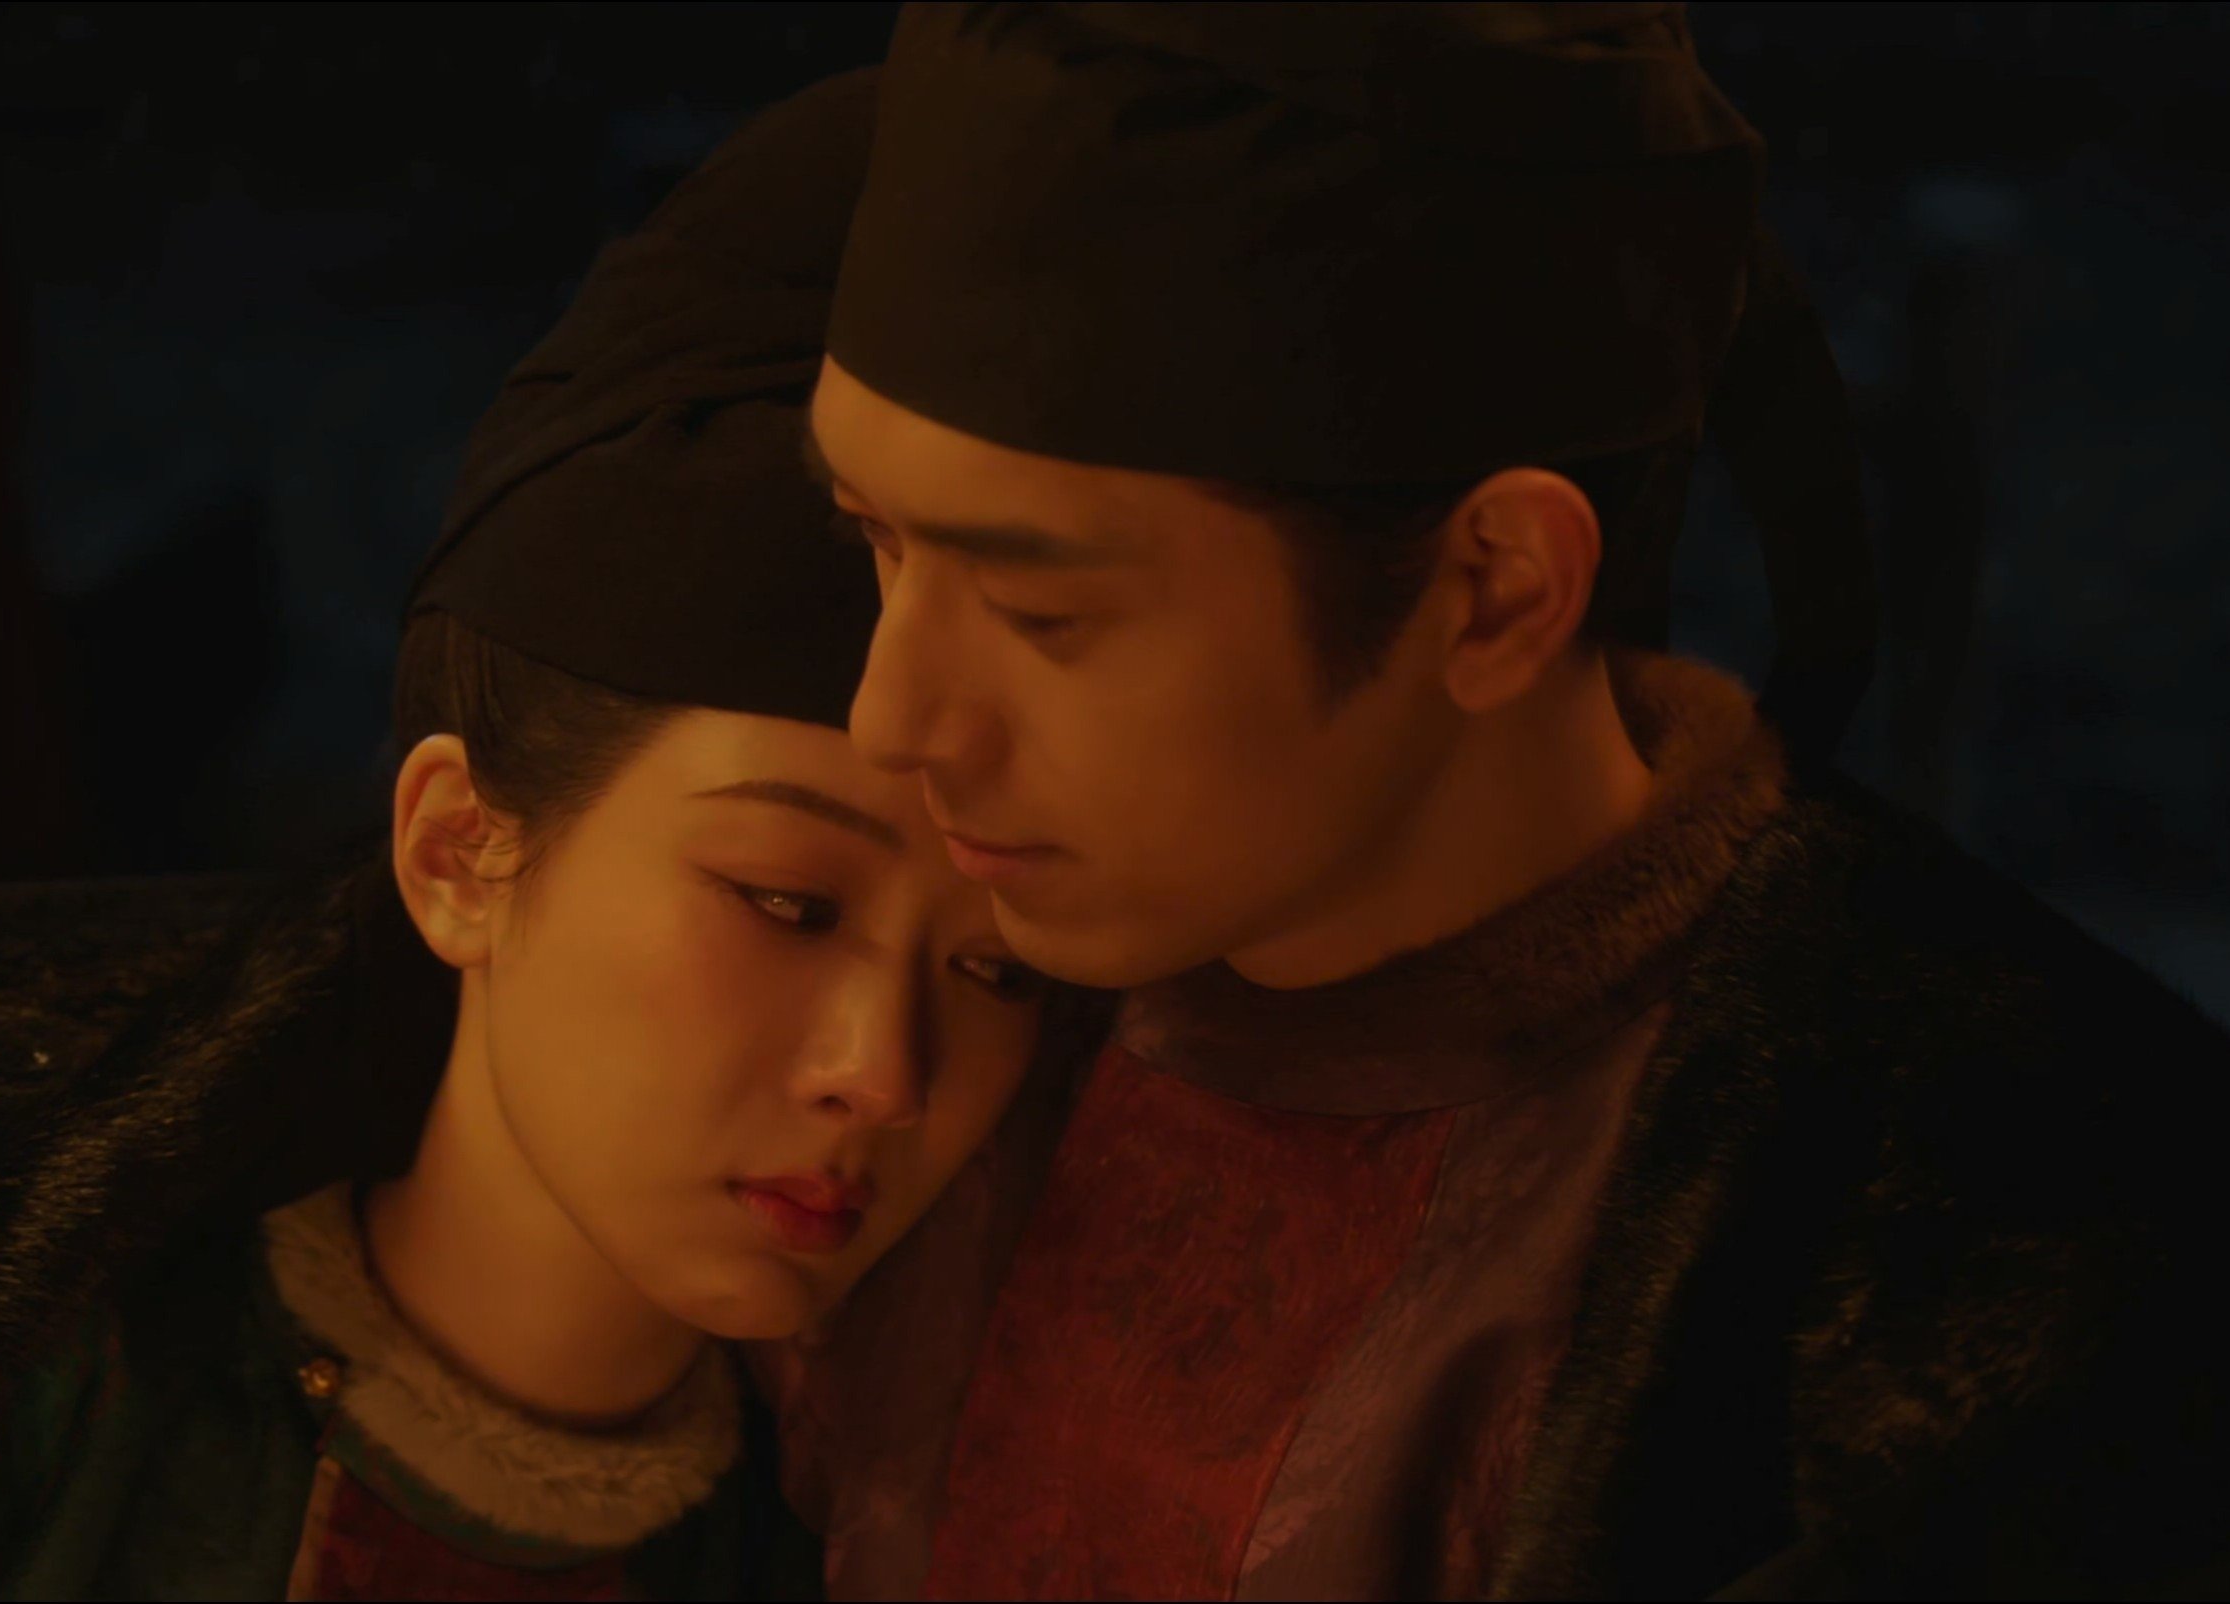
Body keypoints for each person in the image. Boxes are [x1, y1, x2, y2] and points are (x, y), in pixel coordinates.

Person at [0, 69, 1092, 1601]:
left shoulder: (871, 1536)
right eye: (785, 901)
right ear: (461, 850)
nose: (886, 1070)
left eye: (997, 968)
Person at [769, 5, 2230, 1599]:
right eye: (876, 542)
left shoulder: (2031, 1243)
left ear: (1494, 591)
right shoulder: (930, 1017)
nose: (891, 718)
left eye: (1043, 614)